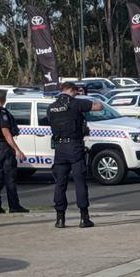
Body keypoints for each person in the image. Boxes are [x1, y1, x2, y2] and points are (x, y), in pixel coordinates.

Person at [48, 82, 103, 228]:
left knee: (60, 184)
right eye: (76, 92)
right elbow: (99, 106)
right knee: (80, 182)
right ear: (72, 90)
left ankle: (60, 219)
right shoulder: (76, 103)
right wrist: (85, 97)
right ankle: (84, 218)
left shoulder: (51, 107)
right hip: (74, 146)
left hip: (59, 148)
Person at [0, 90, 29, 214]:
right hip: (4, 147)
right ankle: (14, 206)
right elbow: (6, 132)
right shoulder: (2, 112)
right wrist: (17, 149)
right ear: (4, 99)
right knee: (10, 177)